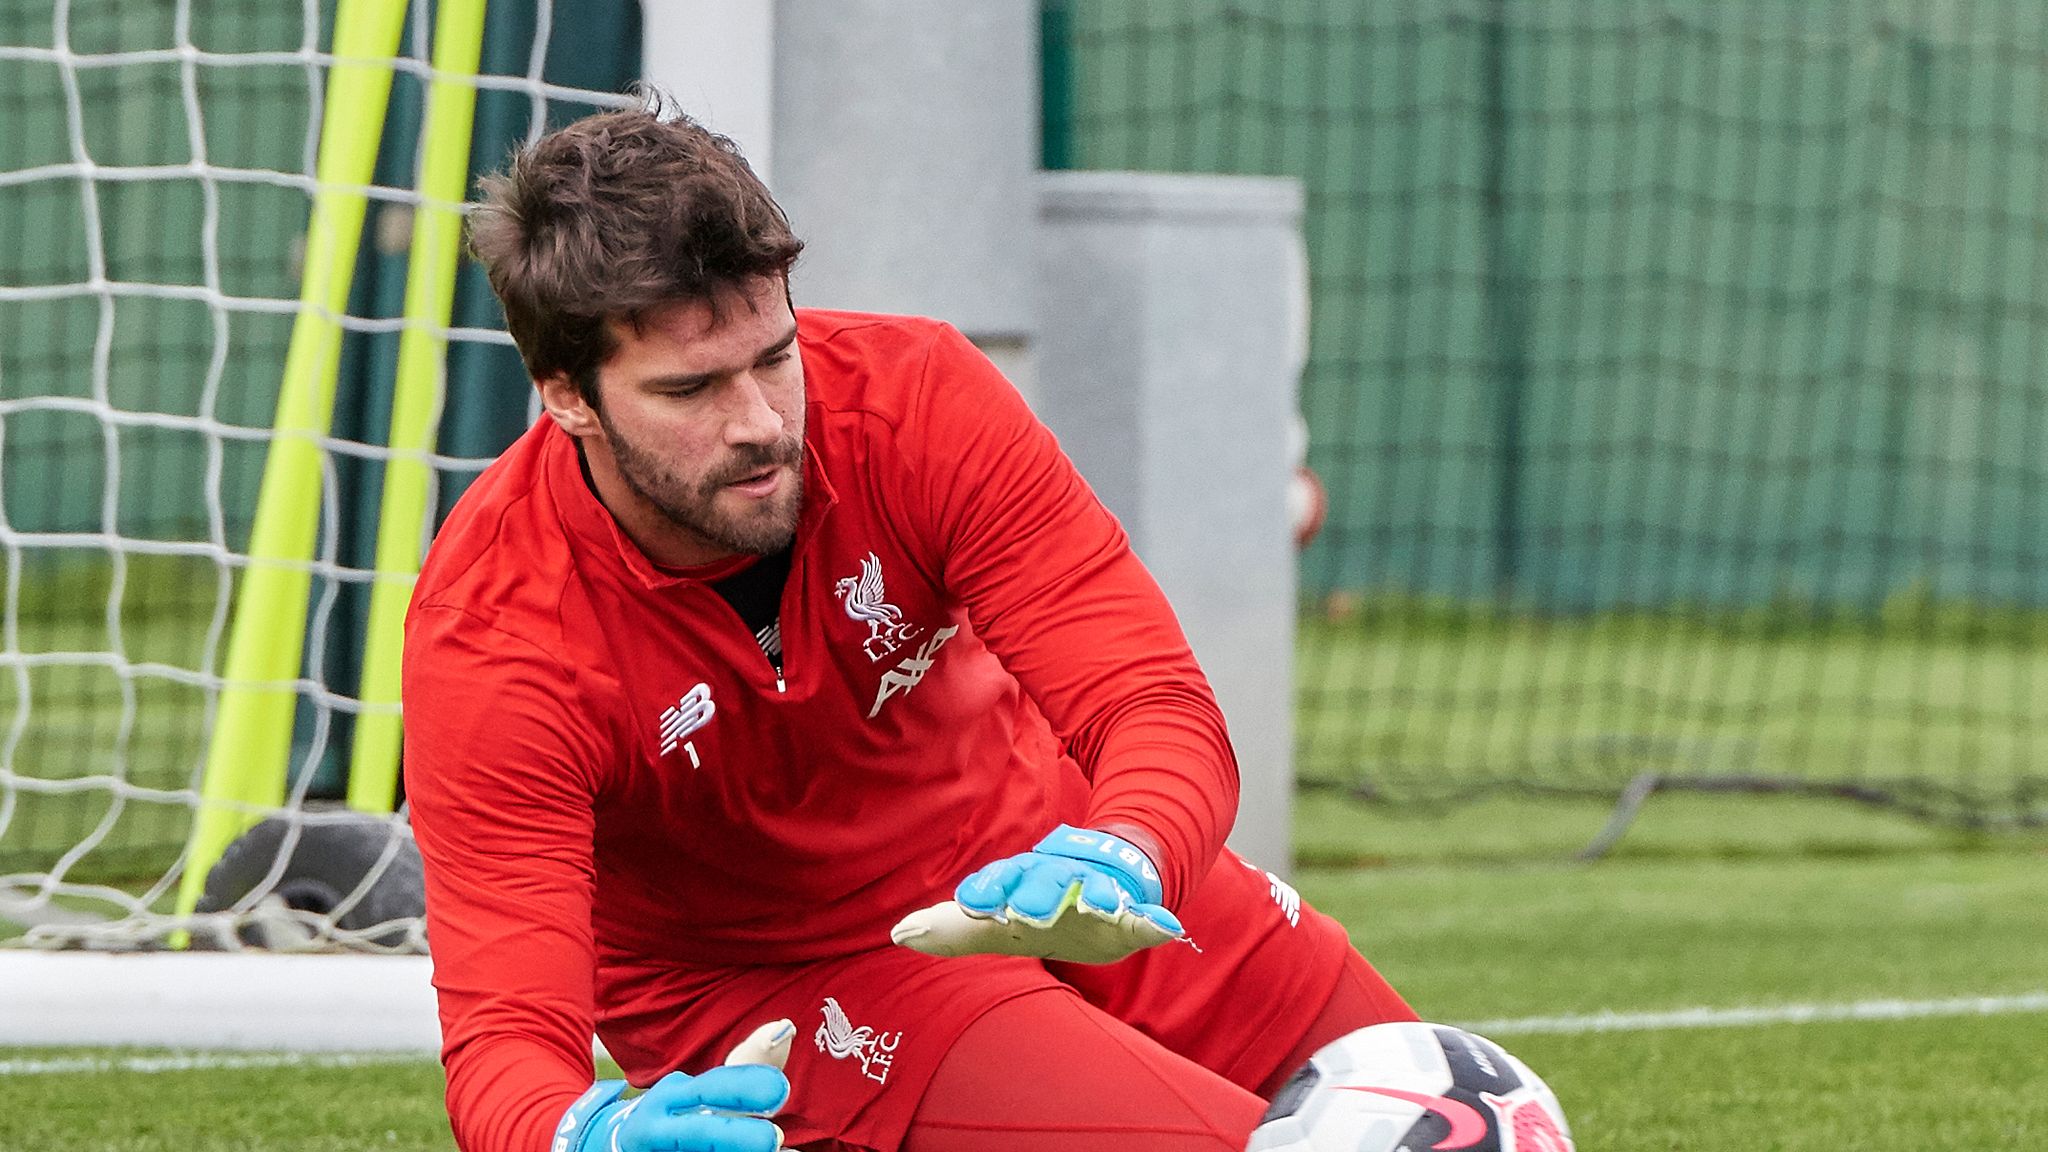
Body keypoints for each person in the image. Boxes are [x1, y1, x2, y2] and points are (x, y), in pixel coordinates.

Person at [402, 100, 1416, 1152]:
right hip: (796, 977)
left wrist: (1128, 850)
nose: (756, 422)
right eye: (690, 388)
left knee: (1445, 1106)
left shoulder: (917, 399)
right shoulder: (494, 637)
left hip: (1050, 857)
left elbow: (1148, 702)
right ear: (567, 397)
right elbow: (506, 1040)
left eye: (772, 356)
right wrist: (584, 1139)